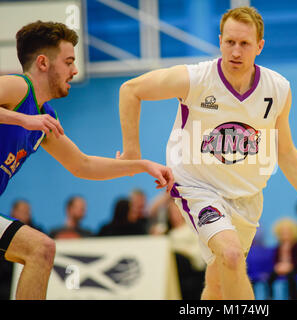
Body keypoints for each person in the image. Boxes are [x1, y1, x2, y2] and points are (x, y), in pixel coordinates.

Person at [117, 6, 297, 300]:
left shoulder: (277, 89)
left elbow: (285, 151)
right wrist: (133, 152)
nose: (236, 51)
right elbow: (130, 90)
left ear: (259, 46)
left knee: (218, 284)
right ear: (220, 40)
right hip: (198, 186)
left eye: (245, 44)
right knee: (233, 255)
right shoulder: (196, 79)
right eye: (229, 42)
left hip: (247, 197)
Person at [0, 21, 174, 300]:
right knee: (40, 249)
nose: (75, 71)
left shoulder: (45, 117)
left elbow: (83, 165)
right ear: (43, 62)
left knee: (41, 250)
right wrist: (23, 119)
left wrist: (141, 165)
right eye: (68, 62)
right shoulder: (18, 87)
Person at [0, 200, 40, 300]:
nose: (26, 214)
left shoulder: (38, 233)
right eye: (23, 211)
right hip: (5, 280)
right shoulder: (3, 232)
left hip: (28, 277)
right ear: (13, 212)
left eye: (28, 212)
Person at [267, 218, 297, 300]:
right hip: (281, 267)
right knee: (271, 276)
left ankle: (293, 297)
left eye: (287, 233)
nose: (285, 235)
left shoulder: (296, 246)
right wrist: (278, 266)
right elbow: (275, 259)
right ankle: (270, 295)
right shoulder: (279, 246)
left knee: (291, 277)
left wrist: (290, 266)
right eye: (282, 233)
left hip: (293, 268)